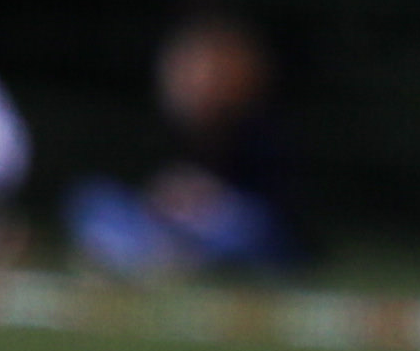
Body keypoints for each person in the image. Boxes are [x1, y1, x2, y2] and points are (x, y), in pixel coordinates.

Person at [67, 17, 300, 279]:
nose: (200, 87)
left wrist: (211, 202)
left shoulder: (262, 138)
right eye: (189, 74)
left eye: (215, 77)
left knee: (253, 229)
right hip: (155, 228)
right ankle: (147, 256)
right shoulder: (145, 129)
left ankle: (166, 259)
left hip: (218, 233)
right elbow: (121, 191)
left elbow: (274, 220)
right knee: (94, 200)